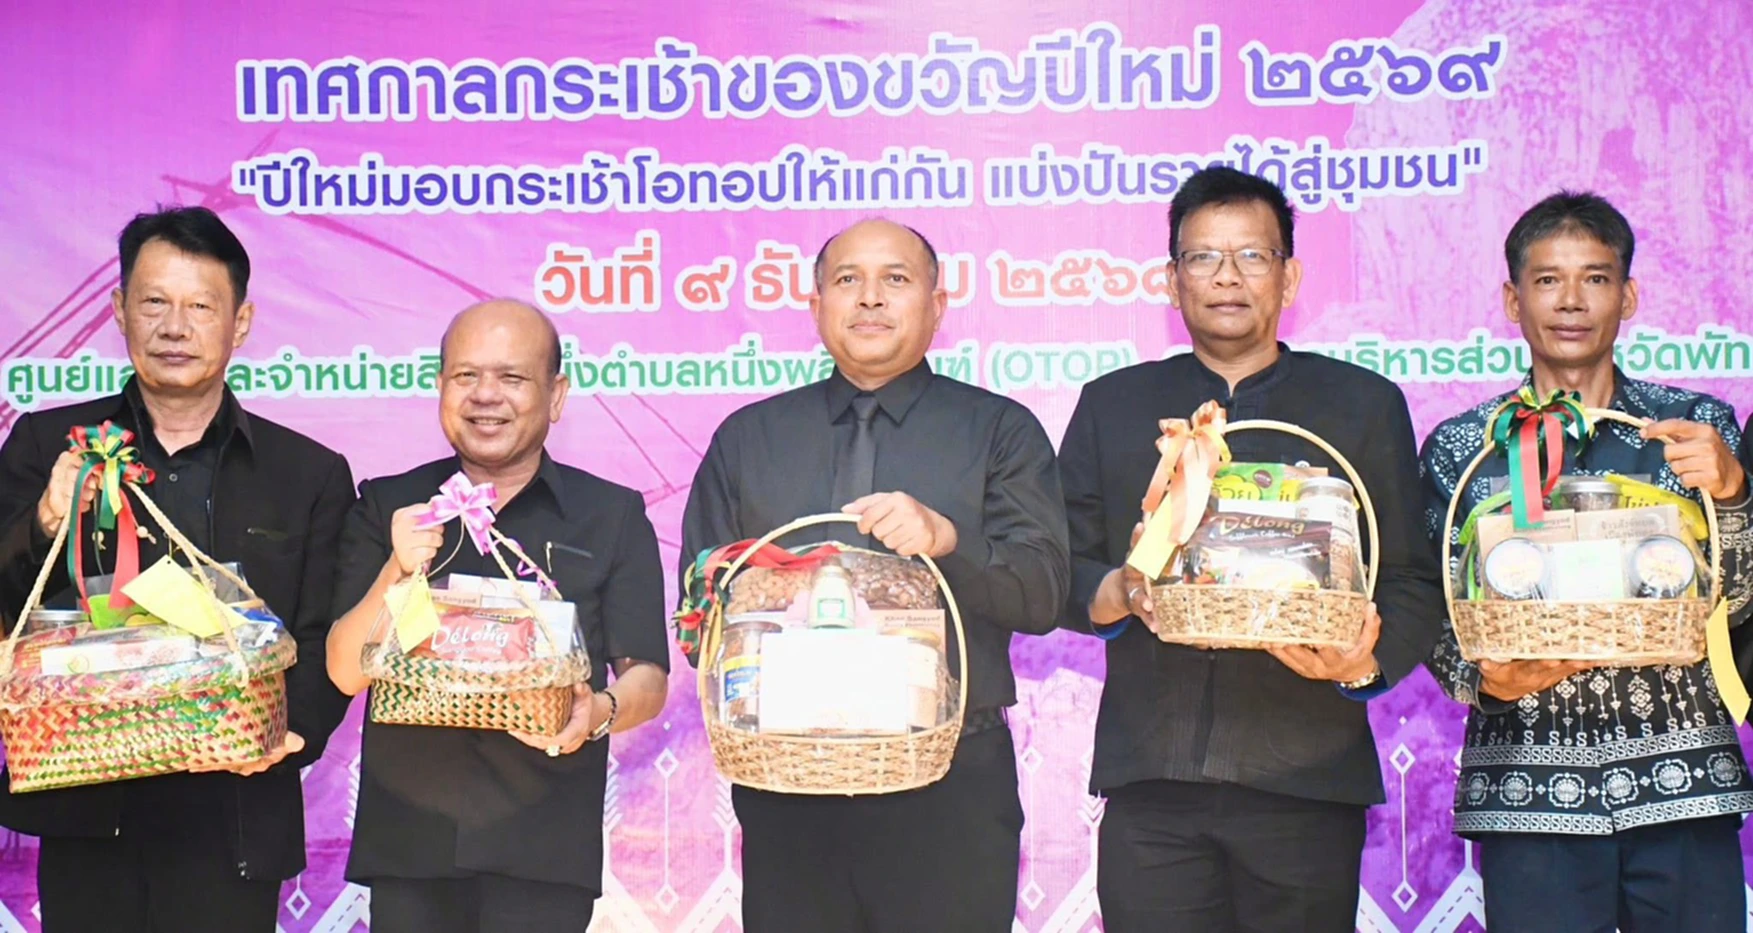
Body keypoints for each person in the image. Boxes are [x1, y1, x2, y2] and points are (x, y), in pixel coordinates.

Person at [1056, 166, 1445, 932]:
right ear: (1171, 280)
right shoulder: (1114, 404)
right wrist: (1119, 588)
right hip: (1152, 779)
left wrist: (1359, 662)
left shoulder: (1362, 404)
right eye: (1203, 256)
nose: (1226, 276)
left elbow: (1407, 575)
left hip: (1305, 777)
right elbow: (1057, 566)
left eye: (1252, 256)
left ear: (1288, 276)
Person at [678, 218, 1069, 933]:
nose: (869, 298)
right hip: (789, 785)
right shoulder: (748, 439)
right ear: (815, 304)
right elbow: (699, 610)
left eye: (895, 278)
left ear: (937, 304)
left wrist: (948, 543)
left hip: (949, 783)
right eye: (847, 279)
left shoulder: (999, 431)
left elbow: (1043, 594)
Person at [0, 206, 356, 932]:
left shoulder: (308, 474)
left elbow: (323, 634)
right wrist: (45, 521)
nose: (174, 327)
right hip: (89, 815)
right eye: (154, 302)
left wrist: (291, 733)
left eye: (200, 307)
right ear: (118, 310)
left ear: (241, 322)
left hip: (235, 814)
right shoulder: (47, 445)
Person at [1422, 191, 1753, 931]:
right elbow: (1429, 607)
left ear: (1627, 296)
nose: (1570, 300)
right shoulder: (1462, 447)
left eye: (1595, 278)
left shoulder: (1695, 429)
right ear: (1513, 300)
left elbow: (1738, 602)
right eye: (1547, 280)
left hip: (1684, 785)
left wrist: (1733, 494)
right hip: (1527, 791)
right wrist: (1482, 679)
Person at [325, 299, 669, 933]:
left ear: (555, 395)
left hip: (543, 848)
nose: (486, 396)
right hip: (410, 847)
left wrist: (598, 712)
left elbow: (647, 676)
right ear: (441, 386)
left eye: (512, 377)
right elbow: (345, 671)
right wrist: (396, 570)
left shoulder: (611, 515)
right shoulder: (389, 505)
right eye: (466, 376)